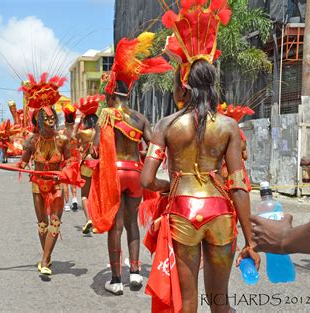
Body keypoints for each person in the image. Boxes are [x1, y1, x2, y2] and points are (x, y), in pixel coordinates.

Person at [139, 2, 260, 312]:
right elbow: (238, 184)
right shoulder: (229, 126)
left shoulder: (166, 125)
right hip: (220, 212)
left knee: (188, 302)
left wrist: (172, 185)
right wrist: (250, 240)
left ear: (184, 85)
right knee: (220, 301)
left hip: (182, 211)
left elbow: (147, 179)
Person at [88, 31, 173, 295]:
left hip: (114, 175)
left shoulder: (106, 116)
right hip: (136, 174)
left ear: (112, 92)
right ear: (129, 93)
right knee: (132, 223)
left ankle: (115, 280)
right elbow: (155, 148)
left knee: (115, 226)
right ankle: (135, 273)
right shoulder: (140, 118)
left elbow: (94, 152)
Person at [18, 73, 72, 276]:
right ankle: (47, 256)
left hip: (57, 186)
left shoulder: (63, 140)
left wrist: (64, 173)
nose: (50, 121)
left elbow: (70, 163)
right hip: (37, 185)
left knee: (55, 222)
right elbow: (22, 163)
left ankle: (44, 260)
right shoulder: (32, 141)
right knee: (42, 224)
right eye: (46, 118)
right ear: (39, 121)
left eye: (52, 118)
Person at [73, 95, 104, 234]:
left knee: (85, 195)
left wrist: (78, 122)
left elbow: (73, 136)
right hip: (100, 164)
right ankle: (99, 221)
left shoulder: (84, 133)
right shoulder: (101, 132)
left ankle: (88, 219)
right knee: (97, 194)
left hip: (87, 164)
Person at [61, 103, 79, 212]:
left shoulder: (62, 133)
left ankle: (67, 203)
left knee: (65, 182)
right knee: (73, 181)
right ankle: (75, 199)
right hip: (75, 160)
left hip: (64, 160)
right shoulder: (76, 133)